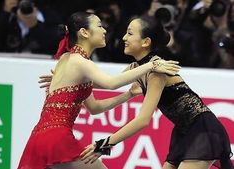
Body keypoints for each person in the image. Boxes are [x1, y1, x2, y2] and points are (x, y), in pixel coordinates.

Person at [18, 12, 180, 169]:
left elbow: (95, 108)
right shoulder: (80, 62)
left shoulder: (68, 58)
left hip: (39, 137)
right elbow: (110, 83)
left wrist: (128, 94)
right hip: (57, 138)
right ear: (84, 33)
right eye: (99, 26)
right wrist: (152, 64)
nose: (104, 30)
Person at [80, 16, 234, 169]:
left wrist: (104, 144)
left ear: (145, 42)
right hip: (183, 131)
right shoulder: (137, 67)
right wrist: (68, 79)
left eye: (130, 33)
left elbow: (143, 120)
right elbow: (107, 83)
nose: (124, 37)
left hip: (202, 129)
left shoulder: (157, 71)